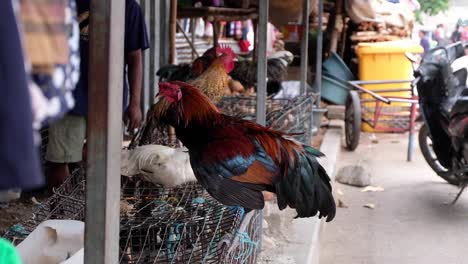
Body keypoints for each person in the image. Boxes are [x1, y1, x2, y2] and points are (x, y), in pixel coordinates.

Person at [45, 0, 149, 195]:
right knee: (59, 162)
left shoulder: (128, 7)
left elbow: (135, 56)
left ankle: (96, 218)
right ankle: (58, 217)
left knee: (103, 162)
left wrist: (135, 102)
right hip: (69, 96)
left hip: (110, 98)